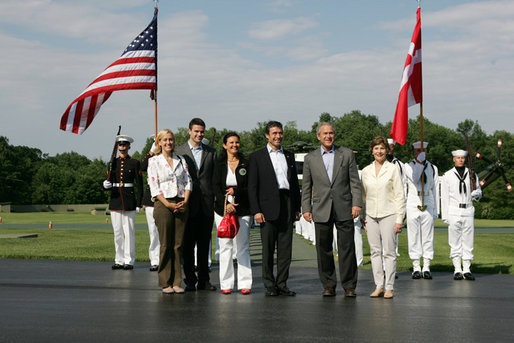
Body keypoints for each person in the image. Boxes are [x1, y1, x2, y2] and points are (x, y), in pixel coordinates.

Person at [301, 122, 362, 297]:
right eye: (325, 133)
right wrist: (306, 208)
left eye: (331, 133)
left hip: (344, 207)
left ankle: (349, 285)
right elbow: (306, 186)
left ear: (335, 135)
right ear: (318, 136)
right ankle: (328, 285)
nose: (328, 136)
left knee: (347, 248)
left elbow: (355, 183)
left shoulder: (347, 154)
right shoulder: (310, 158)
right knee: (323, 250)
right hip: (321, 208)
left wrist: (356, 204)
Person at [248, 121, 301, 296]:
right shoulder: (257, 156)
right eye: (274, 133)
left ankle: (282, 284)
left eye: (280, 133)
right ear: (267, 135)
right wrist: (256, 210)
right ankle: (270, 285)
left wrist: (296, 207)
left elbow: (293, 183)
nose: (278, 136)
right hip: (267, 207)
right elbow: (252, 186)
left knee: (286, 250)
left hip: (287, 203)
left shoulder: (289, 155)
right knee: (268, 250)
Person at [175, 118, 217, 291]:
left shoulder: (211, 152)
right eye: (196, 131)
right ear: (189, 131)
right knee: (187, 245)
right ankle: (190, 280)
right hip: (187, 204)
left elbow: (215, 178)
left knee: (204, 245)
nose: (199, 134)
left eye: (202, 132)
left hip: (206, 204)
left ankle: (204, 281)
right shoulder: (179, 151)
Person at [147, 129, 191, 294]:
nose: (168, 143)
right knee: (166, 244)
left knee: (178, 244)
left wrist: (185, 201)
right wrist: (168, 204)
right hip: (163, 204)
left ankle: (177, 281)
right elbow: (154, 186)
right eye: (164, 140)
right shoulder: (154, 161)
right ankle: (166, 282)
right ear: (159, 143)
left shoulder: (181, 160)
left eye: (171, 140)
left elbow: (188, 181)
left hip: (181, 202)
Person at [361, 136, 405, 299]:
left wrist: (399, 219)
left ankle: (389, 287)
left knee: (389, 252)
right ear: (372, 151)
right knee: (375, 252)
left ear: (387, 150)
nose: (379, 152)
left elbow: (399, 195)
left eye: (382, 148)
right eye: (376, 148)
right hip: (371, 215)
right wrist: (363, 218)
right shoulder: (366, 171)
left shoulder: (393, 169)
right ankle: (378, 285)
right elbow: (363, 197)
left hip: (389, 214)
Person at [213, 132, 252, 295]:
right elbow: (215, 185)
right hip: (222, 210)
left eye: (237, 142)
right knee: (225, 247)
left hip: (243, 209)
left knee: (242, 246)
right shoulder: (218, 164)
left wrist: (236, 195)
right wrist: (228, 202)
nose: (234, 145)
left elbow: (251, 185)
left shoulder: (246, 164)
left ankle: (245, 283)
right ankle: (226, 283)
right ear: (224, 145)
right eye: (231, 142)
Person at [102, 135, 143, 270]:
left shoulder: (134, 163)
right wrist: (105, 185)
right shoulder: (112, 162)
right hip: (115, 200)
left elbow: (139, 185)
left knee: (129, 232)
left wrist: (138, 203)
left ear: (129, 147)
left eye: (125, 146)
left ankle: (129, 260)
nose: (122, 148)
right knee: (118, 232)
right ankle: (118, 259)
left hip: (129, 200)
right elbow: (108, 180)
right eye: (120, 146)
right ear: (118, 147)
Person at [440, 149, 482, 281]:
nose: (460, 160)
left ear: (465, 160)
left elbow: (478, 191)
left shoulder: (472, 174)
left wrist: (477, 194)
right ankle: (457, 269)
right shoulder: (447, 176)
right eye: (458, 158)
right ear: (454, 159)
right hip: (454, 210)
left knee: (468, 241)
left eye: (462, 158)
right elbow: (444, 197)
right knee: (455, 241)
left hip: (468, 209)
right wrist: (445, 215)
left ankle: (467, 269)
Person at [404, 141, 439, 279]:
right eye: (418, 150)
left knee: (428, 236)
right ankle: (416, 266)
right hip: (414, 200)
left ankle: (427, 266)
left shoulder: (433, 168)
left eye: (423, 150)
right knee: (413, 235)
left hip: (428, 199)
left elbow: (435, 189)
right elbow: (415, 177)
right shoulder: (409, 166)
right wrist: (419, 162)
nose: (420, 153)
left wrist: (436, 209)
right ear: (414, 152)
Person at [141, 142, 160, 271]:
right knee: (153, 232)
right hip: (151, 199)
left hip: (166, 198)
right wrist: (151, 151)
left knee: (166, 232)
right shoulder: (152, 159)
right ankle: (155, 260)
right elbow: (142, 167)